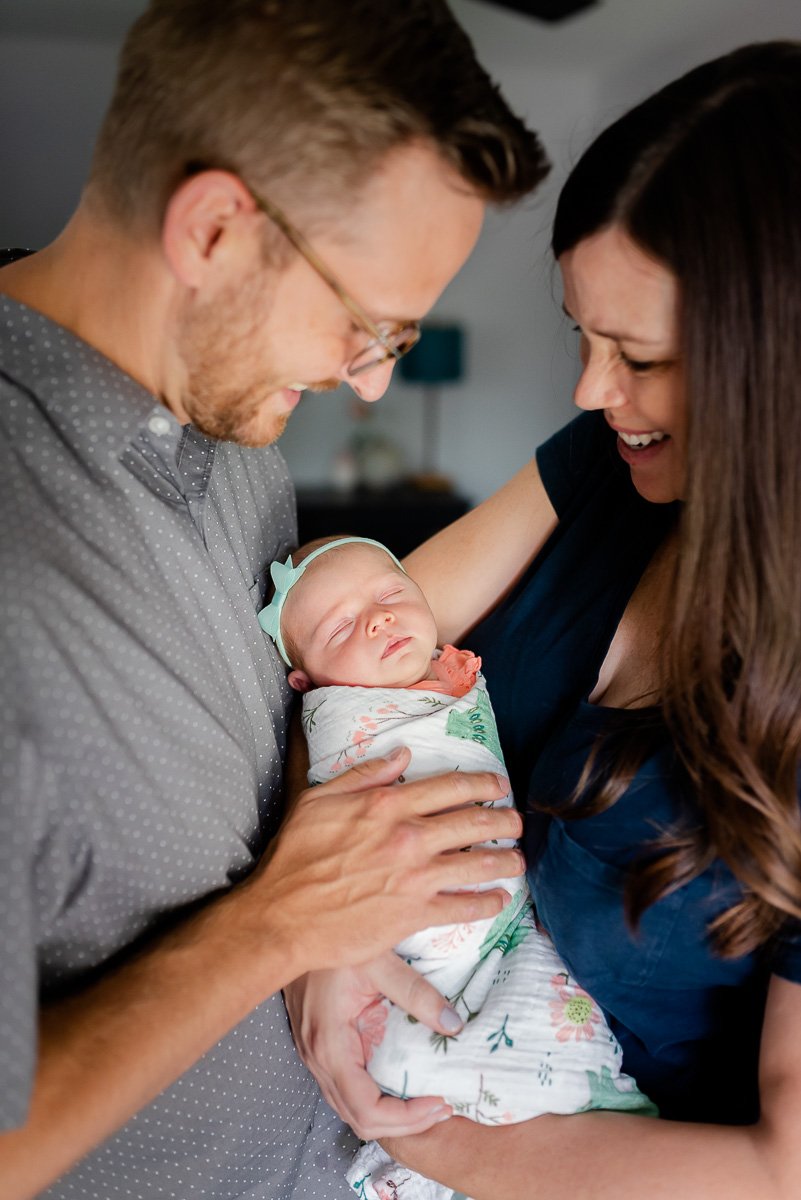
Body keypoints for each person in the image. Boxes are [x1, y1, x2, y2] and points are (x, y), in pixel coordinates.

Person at [0, 3, 550, 1197]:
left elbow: (284, 710)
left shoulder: (236, 437)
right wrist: (278, 931)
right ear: (212, 231)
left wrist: (333, 917)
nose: (370, 384)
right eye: (366, 324)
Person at [285, 41, 801, 1200]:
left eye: (641, 357)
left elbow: (783, 1168)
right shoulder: (606, 468)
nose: (586, 389)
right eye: (581, 331)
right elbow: (344, 629)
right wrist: (319, 929)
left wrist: (427, 1139)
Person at [260, 534, 654, 1199]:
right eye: (340, 628)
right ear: (305, 683)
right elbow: (341, 762)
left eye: (390, 595)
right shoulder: (338, 712)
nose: (379, 619)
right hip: (419, 928)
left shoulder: (451, 675)